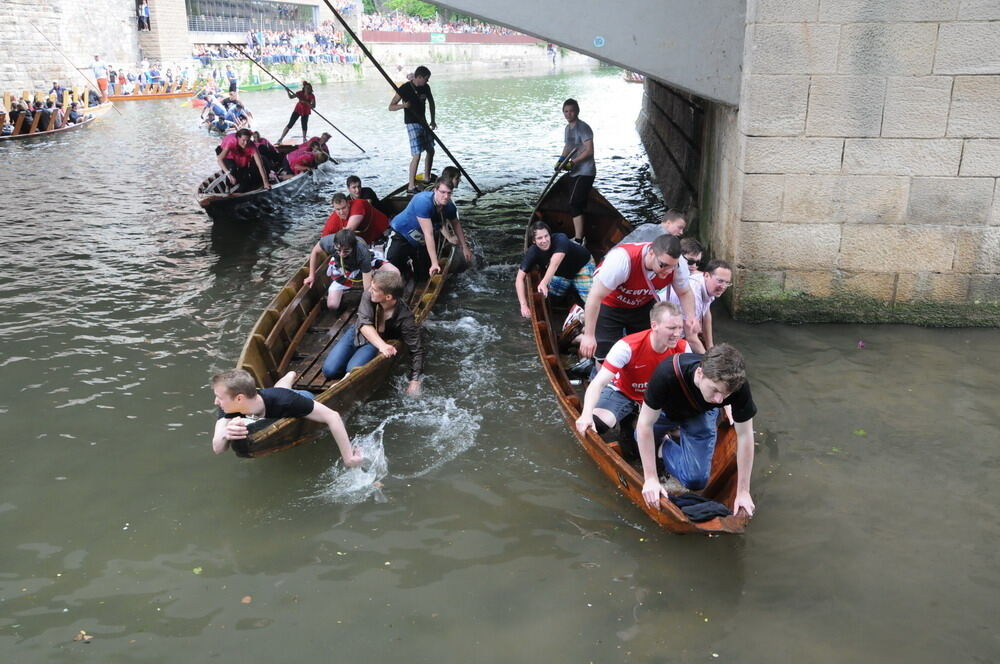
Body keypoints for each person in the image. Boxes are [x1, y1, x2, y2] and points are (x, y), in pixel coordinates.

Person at [634, 343, 757, 516]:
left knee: (696, 480)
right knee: (638, 440)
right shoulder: (667, 373)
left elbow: (744, 436)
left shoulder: (737, 386)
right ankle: (665, 438)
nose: (719, 399)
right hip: (665, 410)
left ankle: (664, 447)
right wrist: (651, 479)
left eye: (725, 394)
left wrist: (743, 491)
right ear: (700, 373)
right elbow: (645, 424)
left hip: (699, 412)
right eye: (715, 390)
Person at [575, 301, 688, 457]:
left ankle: (634, 427)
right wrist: (586, 415)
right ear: (654, 325)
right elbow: (598, 383)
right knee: (598, 424)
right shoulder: (627, 347)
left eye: (680, 328)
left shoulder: (683, 348)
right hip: (623, 393)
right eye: (671, 328)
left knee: (676, 435)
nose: (677, 334)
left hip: (654, 400)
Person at [578, 234, 699, 367]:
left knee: (647, 347)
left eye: (672, 267)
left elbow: (685, 292)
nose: (668, 271)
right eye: (663, 265)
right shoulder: (622, 261)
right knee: (605, 354)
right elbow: (594, 297)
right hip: (610, 304)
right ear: (651, 253)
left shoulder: (678, 264)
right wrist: (589, 335)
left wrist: (691, 317)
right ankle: (603, 383)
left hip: (642, 304)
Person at [210, 368, 363, 466]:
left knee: (301, 394)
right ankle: (289, 375)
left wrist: (348, 458)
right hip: (268, 398)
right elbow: (217, 448)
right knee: (279, 389)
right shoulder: (228, 407)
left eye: (219, 397)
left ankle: (336, 383)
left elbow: (333, 416)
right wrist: (225, 434)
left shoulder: (286, 401)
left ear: (239, 398)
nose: (216, 401)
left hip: (298, 397)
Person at [320, 271, 425, 397]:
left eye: (374, 289)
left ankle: (343, 381)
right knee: (329, 371)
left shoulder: (406, 319)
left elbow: (416, 350)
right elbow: (364, 323)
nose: (370, 290)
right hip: (357, 333)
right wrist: (382, 346)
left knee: (352, 370)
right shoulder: (368, 295)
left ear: (388, 297)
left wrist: (414, 380)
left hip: (374, 342)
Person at [385, 179, 472, 283]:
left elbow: (456, 224)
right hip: (401, 233)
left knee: (424, 276)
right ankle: (405, 269)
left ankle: (414, 275)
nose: (446, 197)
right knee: (391, 266)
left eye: (449, 193)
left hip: (420, 241)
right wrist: (435, 262)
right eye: (442, 192)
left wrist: (464, 247)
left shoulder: (449, 207)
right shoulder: (423, 202)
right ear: (435, 190)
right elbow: (429, 234)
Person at [305, 228, 399, 312]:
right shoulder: (328, 241)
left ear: (353, 247)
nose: (341, 254)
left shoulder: (362, 252)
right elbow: (315, 252)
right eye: (338, 250)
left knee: (395, 272)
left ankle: (391, 299)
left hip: (366, 263)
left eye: (346, 251)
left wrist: (368, 306)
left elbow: (366, 286)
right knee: (332, 305)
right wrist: (311, 275)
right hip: (343, 268)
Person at [515, 221, 595, 319]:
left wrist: (544, 283)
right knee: (552, 299)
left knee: (592, 301)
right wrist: (523, 305)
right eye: (539, 238)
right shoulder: (532, 252)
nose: (544, 240)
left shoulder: (560, 238)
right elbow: (519, 278)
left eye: (546, 236)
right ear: (534, 241)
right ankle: (571, 291)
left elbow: (556, 261)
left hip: (582, 267)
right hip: (563, 274)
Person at [667, 259, 732, 353]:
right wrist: (709, 361)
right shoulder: (694, 293)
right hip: (668, 334)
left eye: (727, 282)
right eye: (720, 281)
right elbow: (691, 339)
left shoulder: (707, 285)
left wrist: (710, 347)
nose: (723, 286)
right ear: (706, 275)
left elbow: (706, 314)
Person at [388, 65, 436, 193]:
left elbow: (431, 103)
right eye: (426, 79)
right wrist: (403, 105)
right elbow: (391, 106)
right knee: (417, 154)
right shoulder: (405, 88)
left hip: (423, 122)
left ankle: (427, 177)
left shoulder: (426, 87)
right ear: (418, 77)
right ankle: (411, 186)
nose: (427, 81)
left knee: (431, 150)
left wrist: (432, 120)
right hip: (412, 123)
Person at [556, 98, 595, 244]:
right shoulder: (568, 129)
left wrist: (572, 162)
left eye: (571, 111)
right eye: (566, 111)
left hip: (585, 172)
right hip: (575, 172)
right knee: (577, 203)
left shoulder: (583, 127)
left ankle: (579, 239)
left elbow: (589, 151)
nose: (568, 114)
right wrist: (561, 160)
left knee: (573, 204)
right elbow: (568, 146)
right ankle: (581, 235)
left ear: (577, 111)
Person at [321, 192, 390, 246]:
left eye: (344, 208)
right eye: (338, 209)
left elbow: (349, 230)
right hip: (367, 242)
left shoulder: (358, 204)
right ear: (334, 209)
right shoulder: (333, 221)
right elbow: (322, 242)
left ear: (348, 204)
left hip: (385, 232)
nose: (341, 212)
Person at [216, 128, 269, 192]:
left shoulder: (251, 145)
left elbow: (260, 165)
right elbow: (219, 159)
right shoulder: (231, 142)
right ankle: (227, 187)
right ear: (238, 138)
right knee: (232, 167)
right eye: (243, 140)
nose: (246, 143)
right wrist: (229, 175)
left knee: (244, 177)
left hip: (240, 152)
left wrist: (265, 183)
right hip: (227, 152)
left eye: (248, 140)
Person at [619, 209, 687, 245]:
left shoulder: (646, 226)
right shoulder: (665, 240)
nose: (681, 232)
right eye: (680, 227)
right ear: (668, 223)